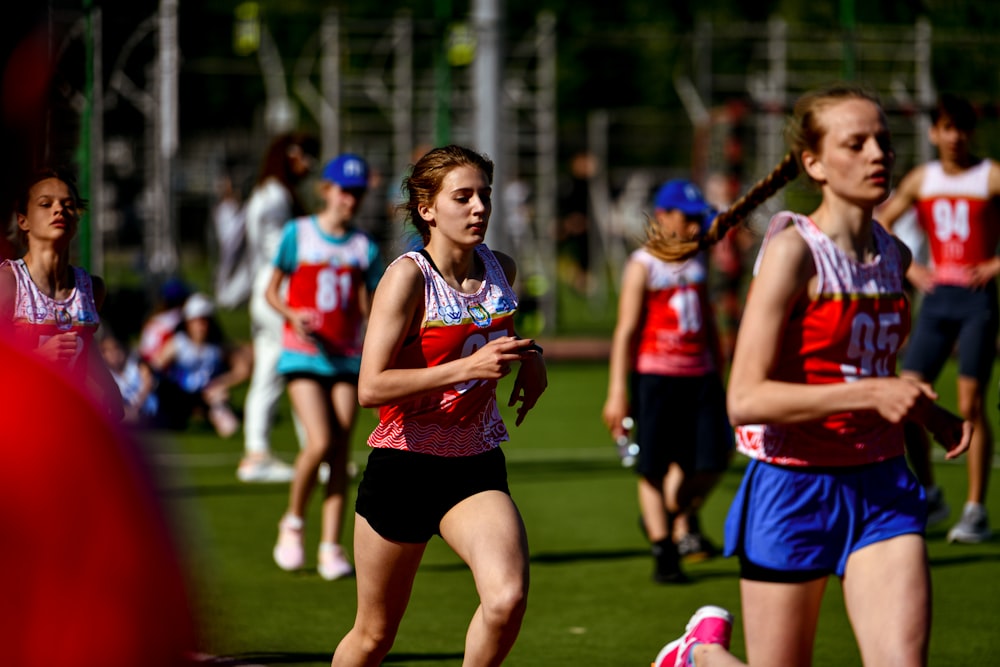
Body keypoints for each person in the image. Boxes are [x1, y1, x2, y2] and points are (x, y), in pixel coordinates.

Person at [647, 85, 972, 667]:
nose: (878, 154)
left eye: (884, 141)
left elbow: (872, 370)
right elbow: (744, 398)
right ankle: (697, 657)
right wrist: (875, 390)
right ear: (815, 163)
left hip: (882, 484)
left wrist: (930, 413)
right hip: (793, 486)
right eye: (857, 143)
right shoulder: (795, 251)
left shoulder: (894, 255)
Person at [330, 145, 547, 666]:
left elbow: (496, 333)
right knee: (374, 635)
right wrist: (465, 371)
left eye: (485, 196)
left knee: (506, 598)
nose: (479, 208)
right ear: (427, 208)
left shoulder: (501, 268)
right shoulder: (407, 278)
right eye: (463, 196)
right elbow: (370, 388)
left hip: (473, 464)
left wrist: (531, 357)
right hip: (404, 465)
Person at [876, 94, 1000, 544]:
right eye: (947, 128)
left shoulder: (990, 175)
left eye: (963, 128)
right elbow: (880, 222)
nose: (955, 137)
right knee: (909, 399)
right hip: (936, 299)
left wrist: (993, 265)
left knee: (969, 402)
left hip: (977, 301)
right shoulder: (921, 179)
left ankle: (976, 509)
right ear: (934, 132)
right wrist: (911, 267)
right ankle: (929, 493)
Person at [602, 178, 732, 584]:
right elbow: (625, 331)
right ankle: (664, 550)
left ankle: (671, 515)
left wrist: (720, 363)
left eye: (699, 219)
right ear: (663, 217)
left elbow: (707, 317)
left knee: (715, 457)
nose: (695, 226)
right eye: (687, 218)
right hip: (656, 377)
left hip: (701, 376)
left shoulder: (697, 259)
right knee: (653, 467)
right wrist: (617, 392)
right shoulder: (643, 264)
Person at [267, 153, 384, 580]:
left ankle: (331, 545)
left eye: (357, 193)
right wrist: (293, 314)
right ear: (326, 190)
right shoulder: (297, 234)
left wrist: (377, 338)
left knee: (340, 451)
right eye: (344, 191)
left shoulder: (363, 247)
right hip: (302, 353)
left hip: (347, 356)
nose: (350, 200)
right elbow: (272, 290)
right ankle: (293, 522)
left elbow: (371, 304)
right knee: (318, 440)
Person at [0, 167, 123, 421]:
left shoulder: (91, 288)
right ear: (23, 219)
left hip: (65, 426)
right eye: (46, 204)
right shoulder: (8, 284)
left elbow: (85, 349)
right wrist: (37, 358)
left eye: (69, 205)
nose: (59, 210)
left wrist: (108, 386)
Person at [239, 132, 320, 482]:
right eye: (306, 154)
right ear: (289, 155)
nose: (310, 163)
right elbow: (281, 251)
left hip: (265, 291)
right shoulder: (274, 196)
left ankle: (257, 454)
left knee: (268, 374)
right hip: (279, 293)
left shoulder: (267, 192)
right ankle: (318, 452)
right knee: (305, 366)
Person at [150, 292, 249, 438]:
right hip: (180, 394)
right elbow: (154, 367)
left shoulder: (217, 346)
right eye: (197, 321)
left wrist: (222, 383)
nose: (201, 326)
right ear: (188, 322)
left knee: (229, 428)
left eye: (205, 321)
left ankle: (211, 414)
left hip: (208, 394)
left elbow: (243, 370)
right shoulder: (178, 343)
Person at [100, 329, 159, 426]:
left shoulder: (136, 365)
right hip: (125, 411)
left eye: (116, 348)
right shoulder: (105, 374)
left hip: (146, 408)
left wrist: (137, 405)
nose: (112, 354)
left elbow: (148, 383)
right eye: (106, 350)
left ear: (123, 349)